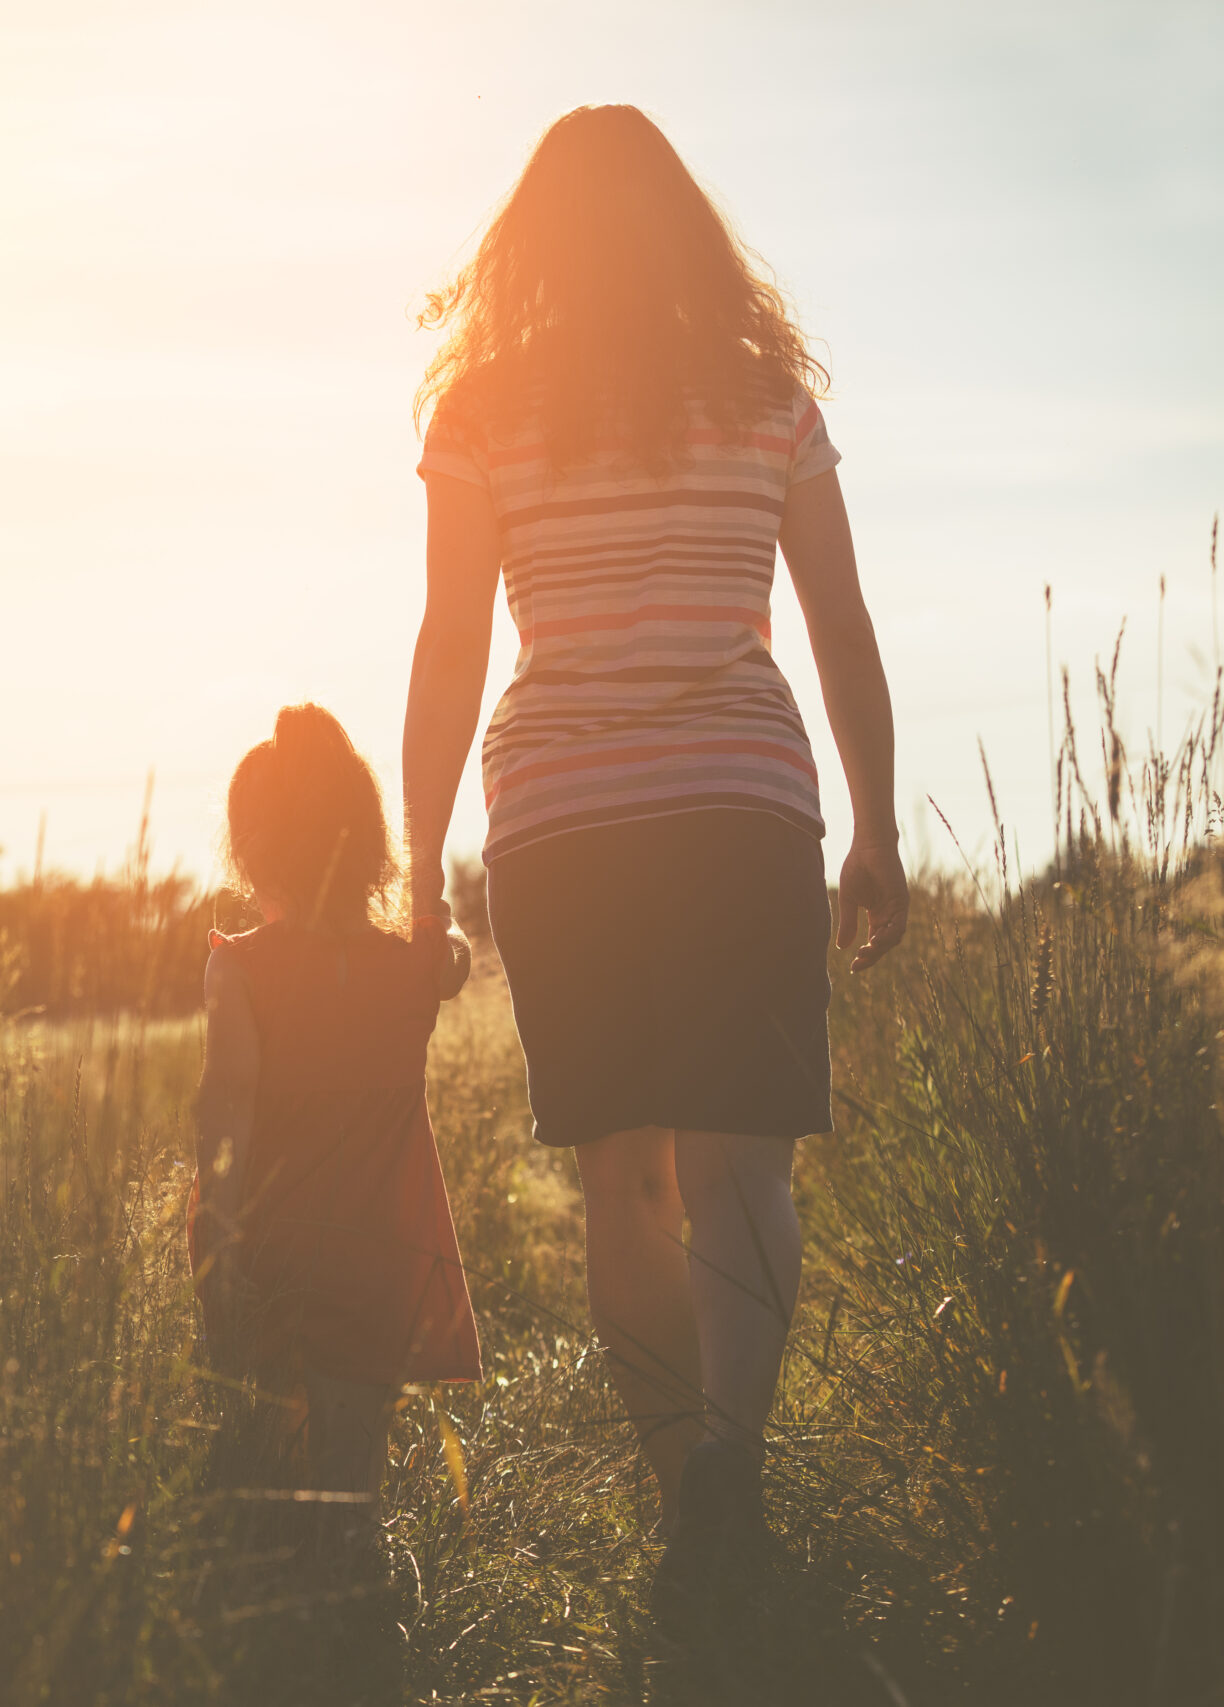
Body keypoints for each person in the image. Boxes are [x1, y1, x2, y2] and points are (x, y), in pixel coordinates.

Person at [400, 105, 909, 1577]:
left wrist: (422, 858)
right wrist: (874, 820)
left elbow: (449, 647)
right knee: (744, 1165)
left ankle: (689, 1481)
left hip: (564, 818)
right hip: (744, 803)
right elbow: (839, 618)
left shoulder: (484, 408)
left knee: (621, 1169)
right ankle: (732, 1460)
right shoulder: (766, 398)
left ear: (530, 247)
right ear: (687, 230)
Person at [191, 703, 481, 1520]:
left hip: (272, 1257)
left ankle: (288, 1619)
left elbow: (226, 1126)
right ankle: (353, 1614)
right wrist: (431, 909)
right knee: (350, 1496)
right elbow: (451, 957)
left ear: (249, 853)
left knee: (262, 1484)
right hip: (379, 1266)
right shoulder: (413, 968)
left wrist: (220, 1254)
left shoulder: (240, 972)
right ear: (367, 843)